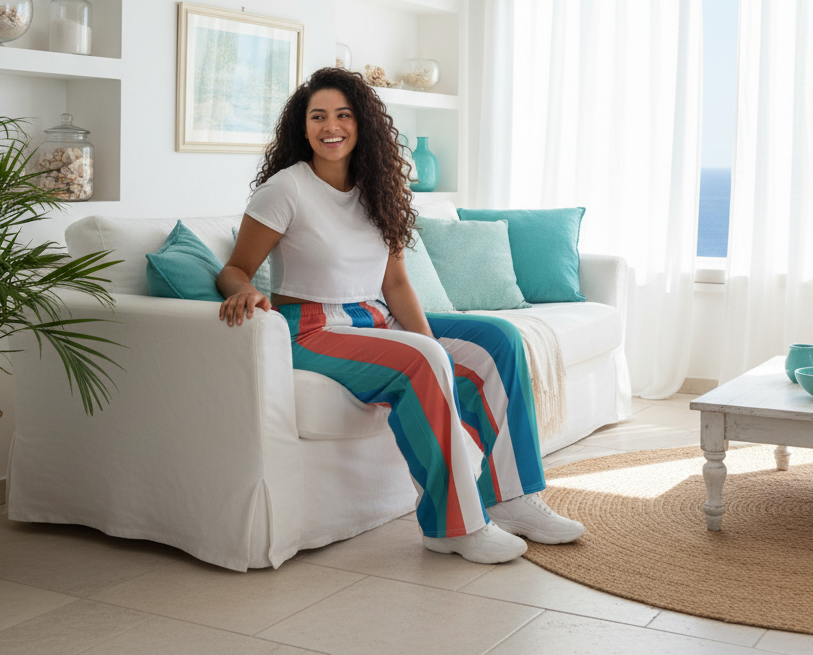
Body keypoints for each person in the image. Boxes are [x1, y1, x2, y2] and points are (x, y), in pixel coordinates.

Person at [216, 66, 584, 564]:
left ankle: (512, 496)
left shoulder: (380, 188)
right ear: (302, 128)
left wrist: (435, 347)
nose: (332, 127)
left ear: (362, 123)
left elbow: (395, 283)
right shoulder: (286, 189)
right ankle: (453, 526)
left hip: (376, 316)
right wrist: (243, 292)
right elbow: (235, 269)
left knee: (499, 338)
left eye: (343, 115)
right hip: (311, 328)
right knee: (418, 361)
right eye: (318, 116)